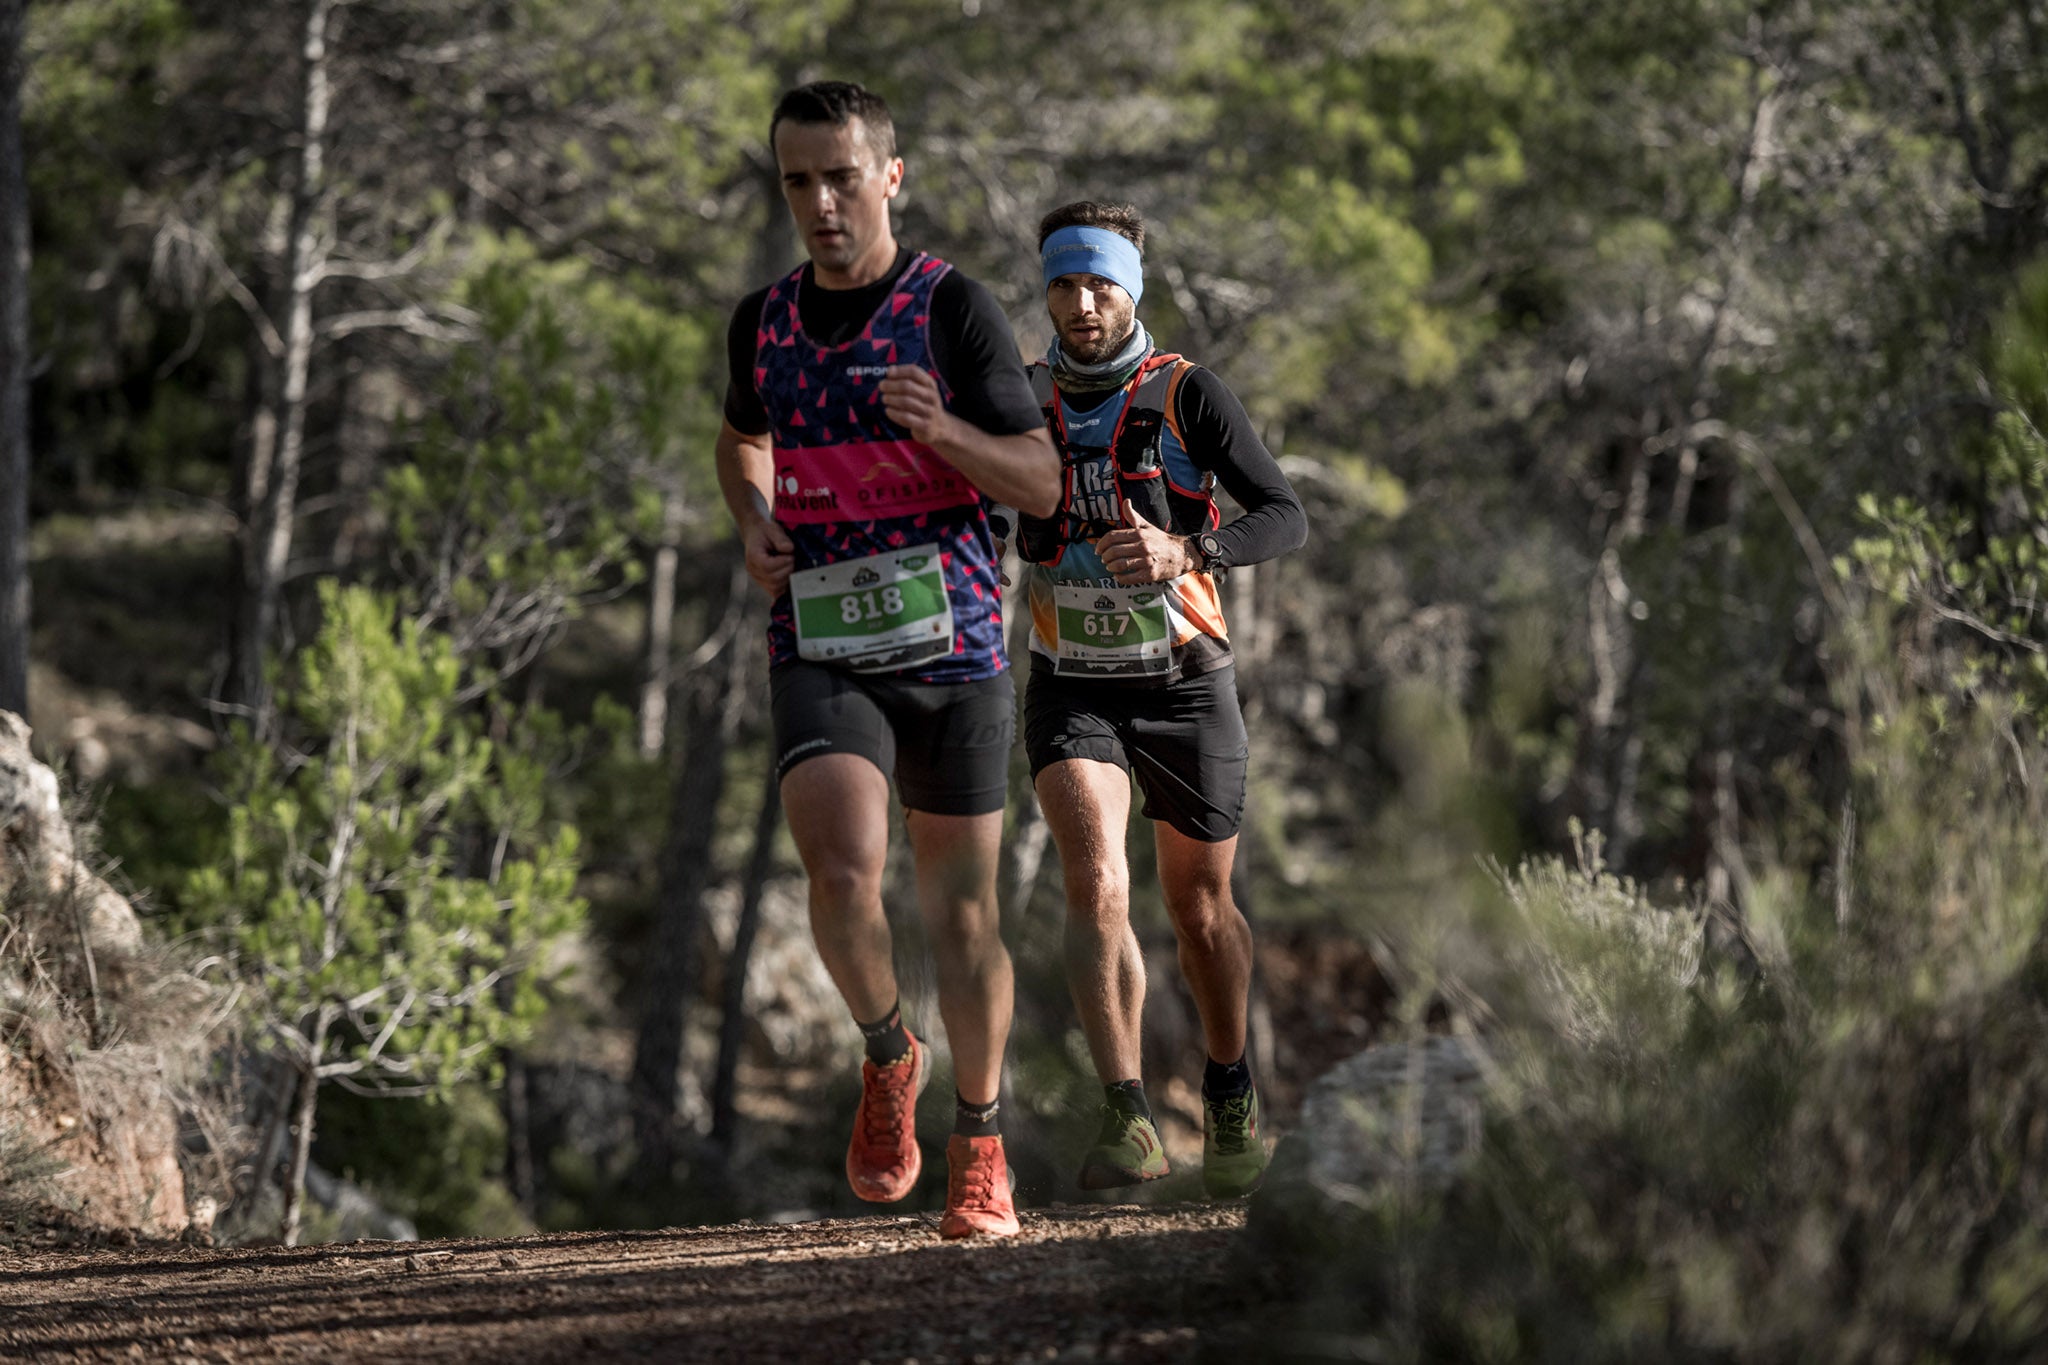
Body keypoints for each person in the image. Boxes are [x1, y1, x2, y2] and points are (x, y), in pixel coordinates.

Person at [714, 81, 1060, 1238]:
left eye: (841, 177)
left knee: (961, 915)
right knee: (842, 872)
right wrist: (750, 516)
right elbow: (741, 432)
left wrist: (943, 430)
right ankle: (884, 1051)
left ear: (891, 177)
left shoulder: (951, 311)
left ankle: (982, 1144)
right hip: (821, 638)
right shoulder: (760, 321)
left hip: (956, 647)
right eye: (797, 181)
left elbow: (1041, 480)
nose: (819, 203)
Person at [1013, 201, 1306, 1197]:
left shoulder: (1187, 394)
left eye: (1099, 284)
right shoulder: (1019, 400)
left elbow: (1285, 515)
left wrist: (1190, 547)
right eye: (1063, 284)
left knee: (1198, 907)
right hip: (1070, 687)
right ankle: (1126, 1114)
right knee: (1095, 883)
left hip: (1184, 686)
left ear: (1130, 290)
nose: (1081, 303)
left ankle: (1228, 1096)